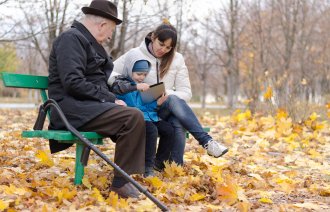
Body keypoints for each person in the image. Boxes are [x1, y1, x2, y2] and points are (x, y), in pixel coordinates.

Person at [48, 0, 145, 199]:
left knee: (146, 121)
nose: (110, 37)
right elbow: (73, 82)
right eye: (110, 31)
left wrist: (115, 96)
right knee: (132, 117)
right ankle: (120, 184)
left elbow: (96, 81)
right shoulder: (71, 39)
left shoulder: (87, 42)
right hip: (69, 109)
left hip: (86, 106)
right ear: (102, 25)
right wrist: (109, 99)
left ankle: (135, 175)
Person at [109, 22, 229, 168]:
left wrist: (165, 92)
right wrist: (130, 87)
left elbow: (186, 93)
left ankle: (173, 165)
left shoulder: (177, 59)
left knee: (173, 104)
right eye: (161, 44)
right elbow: (109, 73)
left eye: (168, 47)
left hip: (164, 106)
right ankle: (193, 151)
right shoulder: (135, 54)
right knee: (177, 120)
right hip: (141, 105)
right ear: (153, 37)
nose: (163, 50)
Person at [110, 54, 174, 177]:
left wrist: (157, 103)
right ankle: (147, 167)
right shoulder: (123, 87)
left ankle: (158, 162)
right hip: (135, 119)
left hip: (149, 116)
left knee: (169, 130)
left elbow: (145, 106)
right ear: (130, 71)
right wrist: (136, 89)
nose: (141, 77)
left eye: (144, 75)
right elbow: (130, 108)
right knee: (151, 130)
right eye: (139, 74)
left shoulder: (143, 86)